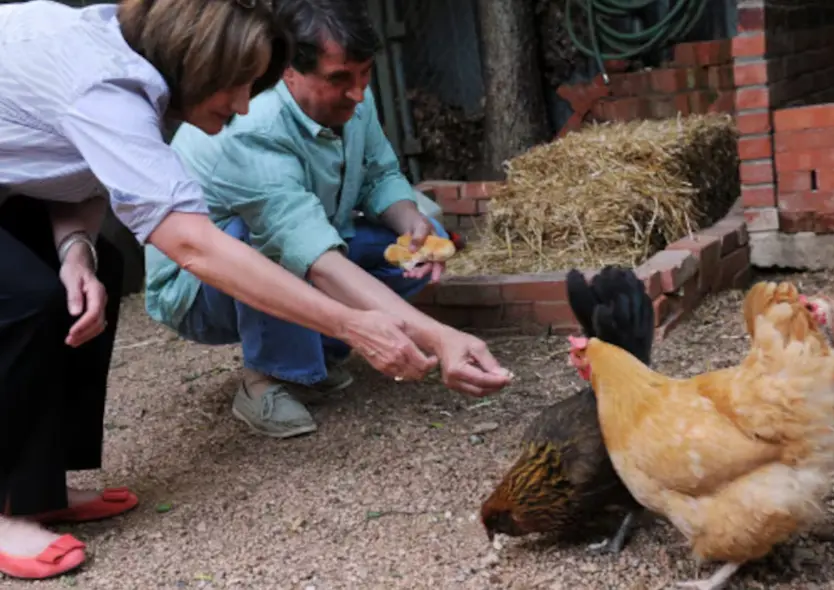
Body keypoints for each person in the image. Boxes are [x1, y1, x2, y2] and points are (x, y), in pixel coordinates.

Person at [0, 0, 510, 580]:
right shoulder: (108, 85)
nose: (244, 105)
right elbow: (195, 246)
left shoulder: (129, 72)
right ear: (198, 61)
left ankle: (38, 487)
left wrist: (75, 252)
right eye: (239, 85)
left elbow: (74, 171)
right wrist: (354, 325)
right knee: (23, 298)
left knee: (97, 272)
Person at [145, 0, 498, 439]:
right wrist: (439, 336)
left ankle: (316, 349)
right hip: (197, 288)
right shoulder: (253, 126)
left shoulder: (354, 95)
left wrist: (409, 221)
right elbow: (310, 253)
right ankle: (269, 379)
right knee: (266, 244)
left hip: (314, 236)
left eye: (365, 73)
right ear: (288, 70)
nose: (358, 92)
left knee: (424, 243)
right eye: (339, 79)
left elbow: (380, 174)